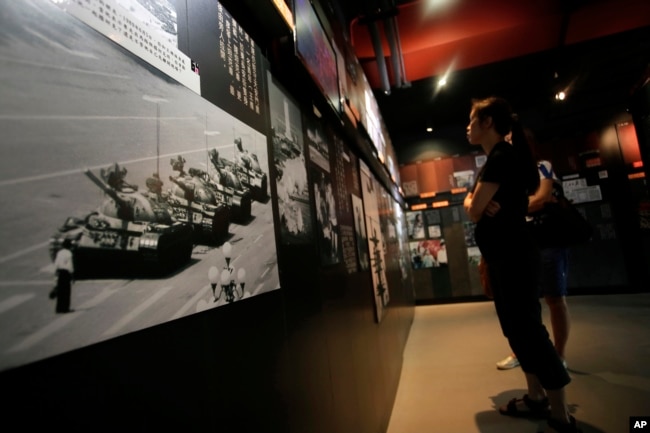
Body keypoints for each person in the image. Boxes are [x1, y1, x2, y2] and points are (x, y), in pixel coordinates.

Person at [463, 97, 579, 433]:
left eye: (472, 120)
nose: (467, 127)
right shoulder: (497, 159)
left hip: (513, 256)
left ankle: (559, 412)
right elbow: (475, 204)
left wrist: (475, 203)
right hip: (504, 256)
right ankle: (535, 396)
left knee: (528, 330)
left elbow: (472, 209)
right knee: (515, 328)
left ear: (488, 122)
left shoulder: (501, 156)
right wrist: (480, 203)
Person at [496, 157, 571, 371]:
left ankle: (559, 354)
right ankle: (522, 351)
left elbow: (542, 197)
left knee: (555, 298)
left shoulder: (542, 166)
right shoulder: (505, 172)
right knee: (522, 303)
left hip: (549, 241)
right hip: (519, 243)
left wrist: (507, 209)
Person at [53, 239, 75, 314]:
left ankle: (59, 308)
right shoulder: (69, 253)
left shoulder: (59, 253)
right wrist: (72, 275)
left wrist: (56, 272)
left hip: (60, 272)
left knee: (60, 291)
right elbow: (70, 266)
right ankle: (65, 308)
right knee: (66, 291)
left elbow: (56, 263)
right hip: (66, 273)